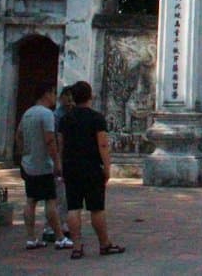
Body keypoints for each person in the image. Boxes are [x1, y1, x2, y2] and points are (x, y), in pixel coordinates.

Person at [58, 80, 125, 259]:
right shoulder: (96, 118)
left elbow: (61, 145)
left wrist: (62, 165)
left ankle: (77, 246)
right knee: (96, 208)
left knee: (73, 207)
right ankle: (104, 244)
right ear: (90, 96)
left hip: (71, 167)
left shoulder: (66, 118)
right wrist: (107, 167)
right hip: (91, 167)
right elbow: (102, 144)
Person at [16, 82, 72, 251]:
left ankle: (31, 238)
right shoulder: (46, 114)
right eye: (54, 93)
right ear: (47, 94)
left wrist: (24, 154)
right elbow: (50, 140)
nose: (55, 97)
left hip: (29, 163)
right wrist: (57, 162)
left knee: (31, 200)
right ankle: (59, 237)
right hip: (43, 164)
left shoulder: (28, 113)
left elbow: (18, 135)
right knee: (51, 201)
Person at [50, 86, 74, 238]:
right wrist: (57, 160)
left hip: (69, 159)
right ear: (62, 98)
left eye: (72, 98)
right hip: (59, 158)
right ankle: (53, 227)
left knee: (66, 195)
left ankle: (64, 224)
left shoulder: (70, 115)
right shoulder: (57, 116)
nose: (70, 101)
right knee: (58, 196)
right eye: (68, 97)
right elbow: (55, 140)